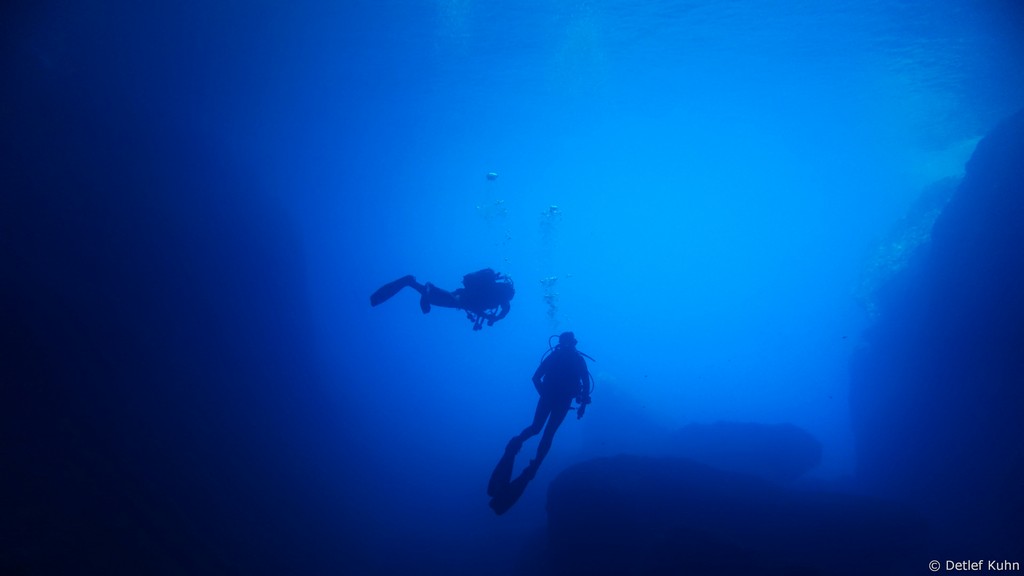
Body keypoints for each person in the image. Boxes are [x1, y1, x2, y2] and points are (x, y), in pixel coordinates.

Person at [488, 332, 593, 515]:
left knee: (536, 429)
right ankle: (534, 464)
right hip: (562, 401)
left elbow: (535, 378)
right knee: (547, 433)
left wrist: (544, 395)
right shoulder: (577, 359)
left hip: (550, 398)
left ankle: (517, 444)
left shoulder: (555, 356)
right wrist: (582, 405)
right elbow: (585, 383)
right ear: (574, 343)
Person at [369, 268, 514, 330]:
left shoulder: (501, 299)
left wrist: (492, 318)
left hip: (464, 296)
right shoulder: (501, 299)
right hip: (464, 298)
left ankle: (411, 283)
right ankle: (428, 287)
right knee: (450, 300)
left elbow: (502, 313)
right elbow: (500, 312)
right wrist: (491, 318)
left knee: (435, 300)